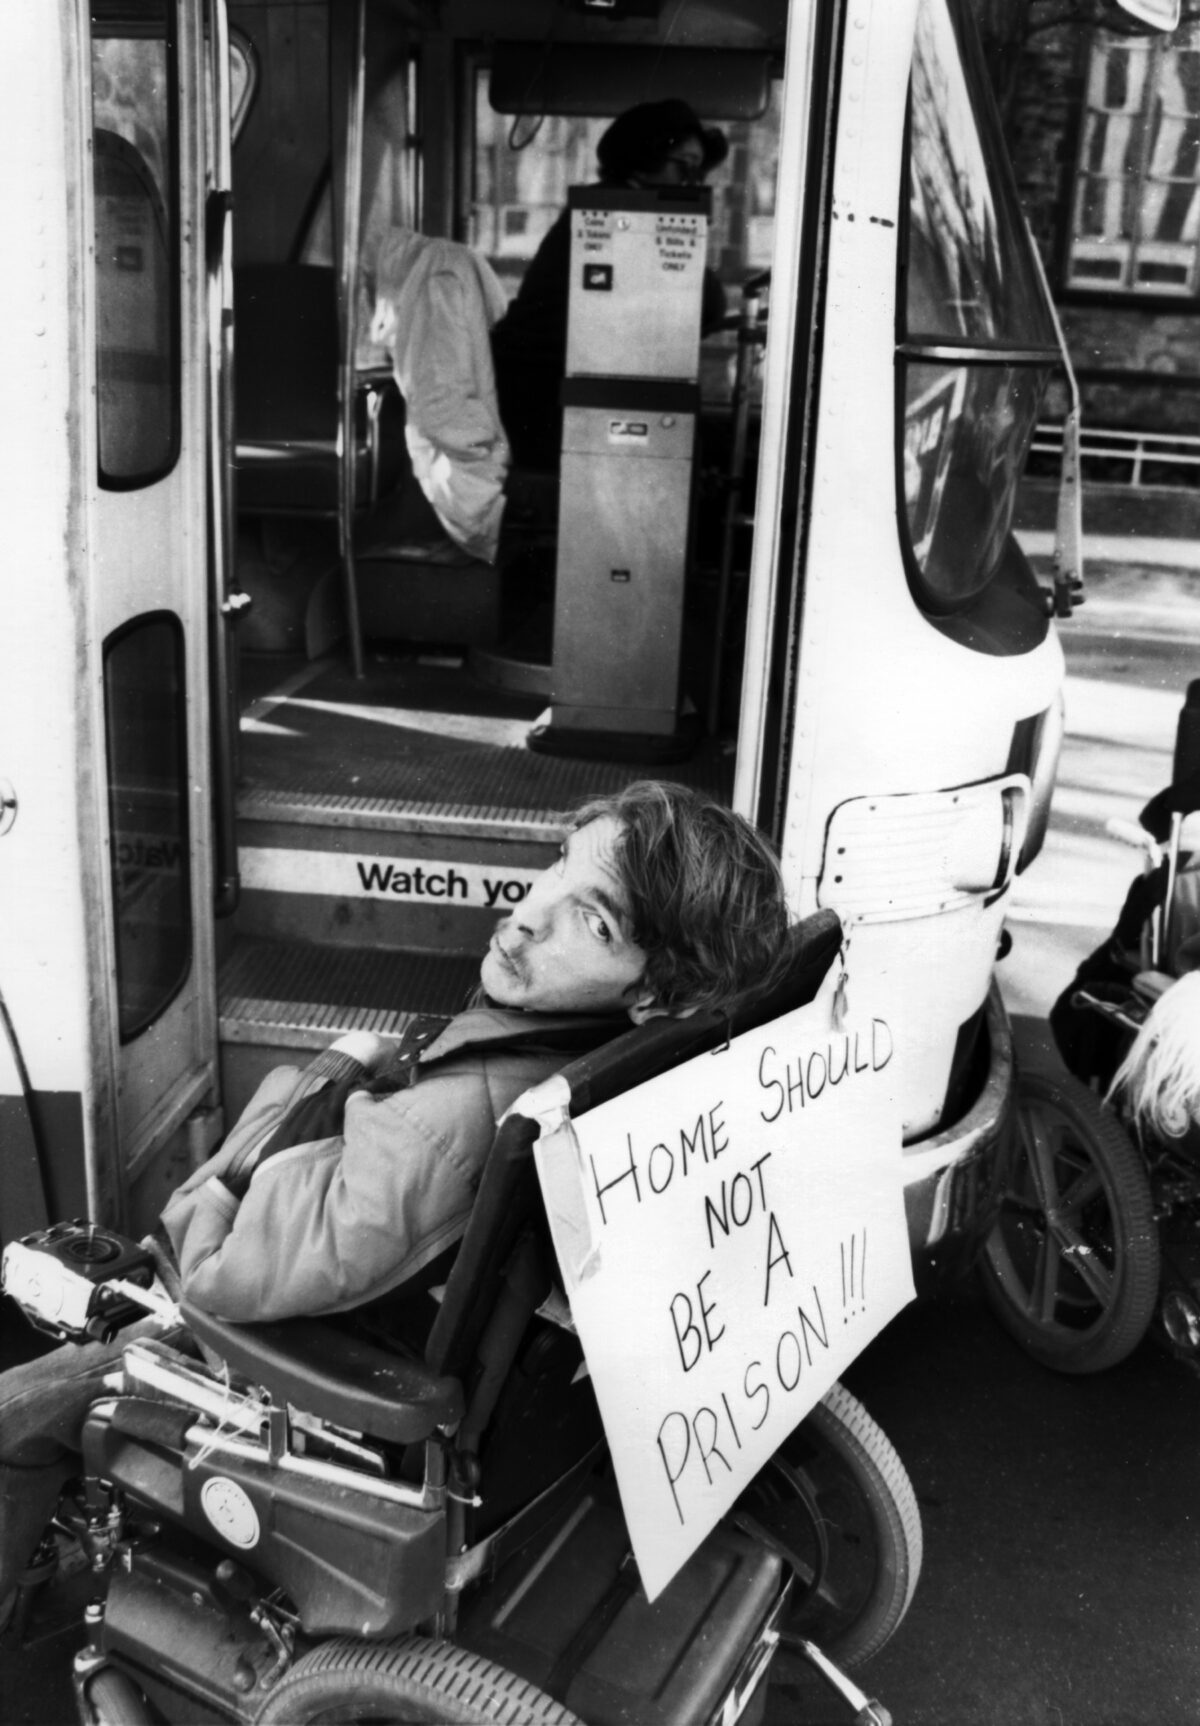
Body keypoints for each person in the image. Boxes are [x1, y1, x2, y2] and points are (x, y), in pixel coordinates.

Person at [0, 780, 789, 1614]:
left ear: (655, 992)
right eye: (558, 866)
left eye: (594, 922)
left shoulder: (435, 1135)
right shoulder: (602, 1061)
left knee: (17, 1413)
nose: (529, 912)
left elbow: (214, 1277)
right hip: (384, 1282)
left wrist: (326, 1073)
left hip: (288, 1349)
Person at [490, 99, 730, 471]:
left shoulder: (612, 206)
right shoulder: (625, 212)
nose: (690, 183)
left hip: (546, 384)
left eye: (697, 171)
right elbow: (709, 302)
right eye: (683, 166)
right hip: (540, 392)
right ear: (642, 157)